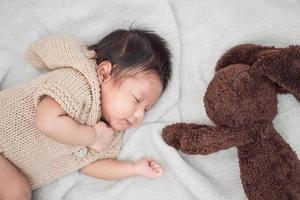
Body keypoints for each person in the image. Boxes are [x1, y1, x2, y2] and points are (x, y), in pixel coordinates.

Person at [0, 28, 172, 200]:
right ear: (104, 73)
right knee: (17, 192)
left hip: (8, 169)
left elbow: (90, 165)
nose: (139, 116)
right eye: (136, 100)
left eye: (146, 110)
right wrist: (92, 137)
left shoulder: (110, 134)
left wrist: (133, 168)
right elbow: (46, 121)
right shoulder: (79, 83)